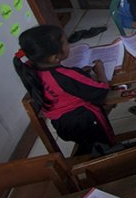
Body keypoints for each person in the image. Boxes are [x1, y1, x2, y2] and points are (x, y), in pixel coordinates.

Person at [13, 25, 115, 154]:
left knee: (89, 143)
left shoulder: (30, 69)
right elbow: (101, 91)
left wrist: (80, 74)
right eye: (66, 43)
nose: (70, 46)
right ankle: (109, 158)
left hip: (63, 125)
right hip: (85, 122)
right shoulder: (64, 76)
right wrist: (101, 72)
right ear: (54, 58)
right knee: (104, 146)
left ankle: (92, 151)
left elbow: (63, 86)